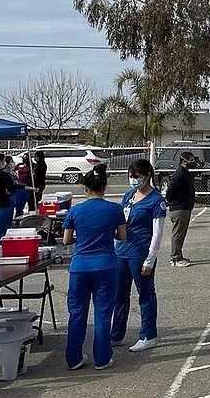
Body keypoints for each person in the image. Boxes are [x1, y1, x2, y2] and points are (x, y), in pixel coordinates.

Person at [63, 165, 126, 371]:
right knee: (103, 312)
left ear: (84, 188)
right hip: (106, 264)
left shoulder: (75, 210)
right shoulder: (115, 209)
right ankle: (102, 357)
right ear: (105, 188)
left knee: (77, 313)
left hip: (80, 265)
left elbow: (66, 240)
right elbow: (122, 236)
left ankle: (73, 358)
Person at [111, 159, 166, 353]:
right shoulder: (128, 196)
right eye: (131, 177)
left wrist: (150, 259)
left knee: (145, 294)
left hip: (140, 252)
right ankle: (116, 333)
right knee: (119, 294)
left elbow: (158, 233)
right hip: (121, 251)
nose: (133, 180)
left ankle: (148, 334)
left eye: (137, 177)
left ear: (147, 176)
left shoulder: (156, 200)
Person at [165, 151, 197, 267]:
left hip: (184, 207)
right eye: (191, 160)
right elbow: (170, 191)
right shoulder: (180, 174)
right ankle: (175, 258)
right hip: (179, 208)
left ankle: (178, 255)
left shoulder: (185, 173)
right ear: (184, 161)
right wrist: (174, 201)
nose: (193, 162)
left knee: (181, 233)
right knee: (178, 234)